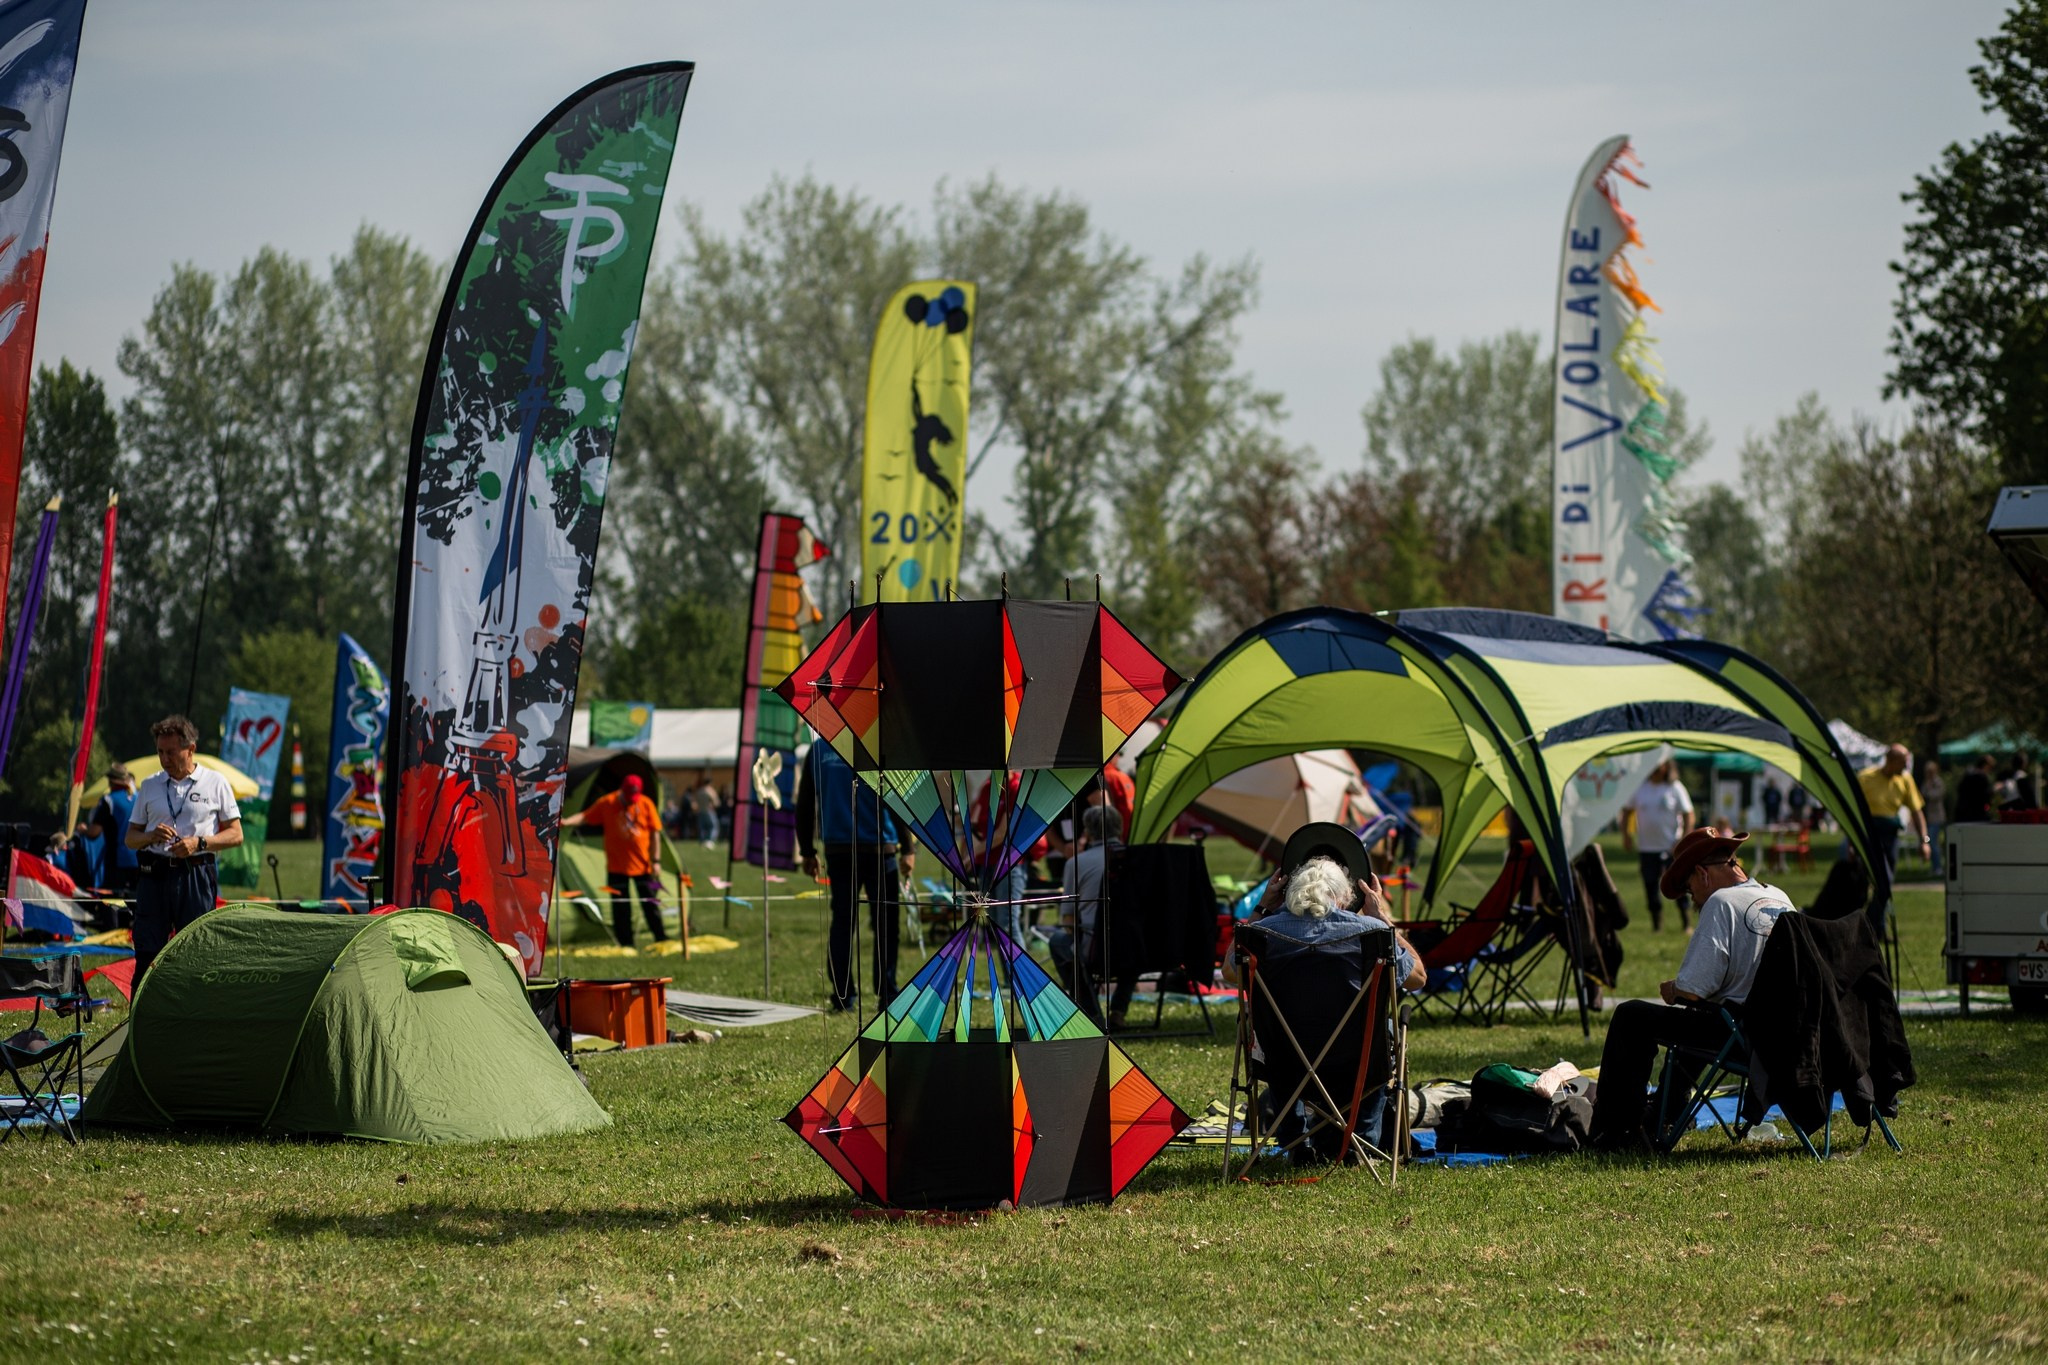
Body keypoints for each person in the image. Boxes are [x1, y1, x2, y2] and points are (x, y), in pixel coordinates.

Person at [1589, 829, 1794, 1152]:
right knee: (1702, 1018)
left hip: (1745, 1038)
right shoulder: (1780, 897)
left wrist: (1673, 989)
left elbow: (1693, 989)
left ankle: (1616, 1132)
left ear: (1702, 874)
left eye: (1688, 890)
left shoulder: (1721, 902)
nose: (1693, 900)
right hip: (1788, 1037)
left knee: (1632, 1016)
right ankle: (1664, 1112)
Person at [1237, 850, 1425, 1162]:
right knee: (1381, 1030)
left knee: (1279, 1037)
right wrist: (1383, 919)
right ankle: (1361, 1144)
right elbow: (1418, 977)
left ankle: (1295, 1142)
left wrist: (1261, 908)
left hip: (1285, 1063)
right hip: (1358, 1062)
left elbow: (1232, 970)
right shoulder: (1371, 933)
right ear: (1344, 896)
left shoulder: (1262, 935)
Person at [795, 743, 912, 1012]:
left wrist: (807, 850)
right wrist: (908, 848)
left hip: (840, 850)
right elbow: (895, 796)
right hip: (879, 850)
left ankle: (843, 996)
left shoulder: (819, 749)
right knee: (885, 924)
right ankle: (887, 994)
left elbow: (804, 801)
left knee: (843, 923)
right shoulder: (875, 740)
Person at [125, 715, 244, 977]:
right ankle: (145, 1016)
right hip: (154, 876)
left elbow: (236, 835)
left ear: (190, 749)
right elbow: (130, 838)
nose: (164, 759)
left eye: (171, 752)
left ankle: (196, 1015)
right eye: (160, 752)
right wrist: (150, 835)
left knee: (197, 951)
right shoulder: (149, 785)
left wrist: (199, 842)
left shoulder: (216, 783)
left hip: (196, 874)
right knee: (147, 952)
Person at [560, 774, 668, 948]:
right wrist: (566, 822)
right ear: (622, 791)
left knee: (651, 904)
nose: (631, 800)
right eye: (628, 797)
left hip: (644, 867)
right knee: (620, 909)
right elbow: (586, 816)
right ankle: (625, 944)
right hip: (617, 867)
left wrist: (656, 861)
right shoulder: (607, 803)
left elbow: (655, 834)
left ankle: (661, 939)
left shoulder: (646, 803)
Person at [1048, 804, 1128, 1027]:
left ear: (1088, 832)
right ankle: (1119, 1008)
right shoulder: (1138, 859)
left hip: (1097, 948)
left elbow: (1069, 921)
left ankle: (1091, 1011)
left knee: (1058, 942)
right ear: (1120, 827)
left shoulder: (1077, 863)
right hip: (1140, 949)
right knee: (1131, 936)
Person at [1627, 759, 1695, 931]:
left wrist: (1683, 840)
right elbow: (1627, 811)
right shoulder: (1640, 788)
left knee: (1679, 885)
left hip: (1671, 848)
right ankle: (1657, 925)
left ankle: (1686, 923)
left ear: (1666, 766)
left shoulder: (1675, 788)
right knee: (1650, 885)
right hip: (1647, 848)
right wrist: (1626, 835)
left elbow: (1689, 814)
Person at [1856, 744, 1928, 883]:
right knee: (1872, 875)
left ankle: (1880, 904)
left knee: (1888, 877)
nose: (1906, 767)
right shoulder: (1865, 778)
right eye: (1903, 762)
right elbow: (1854, 810)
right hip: (1869, 833)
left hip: (1890, 835)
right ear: (1891, 761)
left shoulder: (1905, 780)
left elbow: (1916, 811)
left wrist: (1924, 841)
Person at [79, 762, 141, 897]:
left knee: (109, 898)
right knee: (135, 900)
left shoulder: (108, 800)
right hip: (139, 860)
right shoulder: (138, 798)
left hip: (117, 860)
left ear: (111, 781)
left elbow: (94, 833)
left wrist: (83, 829)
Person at [1920, 760, 1947, 879]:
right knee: (1928, 840)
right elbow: (1921, 795)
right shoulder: (1926, 783)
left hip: (1936, 818)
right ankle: (1934, 866)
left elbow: (1934, 796)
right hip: (1927, 819)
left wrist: (1929, 789)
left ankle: (1938, 867)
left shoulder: (1938, 782)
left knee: (1931, 841)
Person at [1953, 753, 1997, 824]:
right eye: (1991, 768)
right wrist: (1994, 790)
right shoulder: (1982, 777)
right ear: (1986, 766)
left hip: (1962, 815)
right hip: (1976, 816)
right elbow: (1985, 796)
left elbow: (1959, 790)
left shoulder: (1968, 775)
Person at [692, 777, 719, 847]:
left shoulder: (699, 791)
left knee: (702, 827)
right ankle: (710, 841)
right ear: (710, 783)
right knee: (713, 826)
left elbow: (694, 802)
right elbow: (716, 802)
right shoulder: (710, 791)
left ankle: (702, 841)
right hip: (709, 811)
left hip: (700, 811)